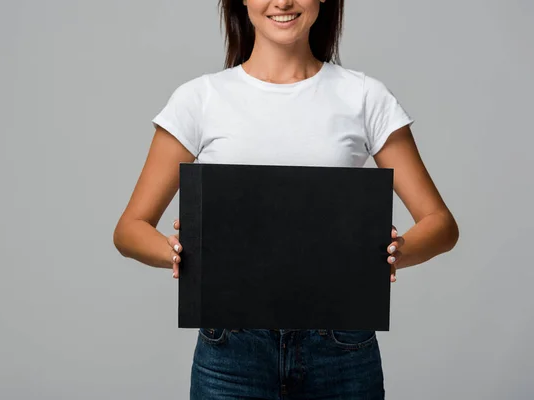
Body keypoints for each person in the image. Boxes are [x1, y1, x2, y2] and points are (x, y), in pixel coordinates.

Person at [114, 0, 459, 398]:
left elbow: (441, 224)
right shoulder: (201, 98)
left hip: (340, 348)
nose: (282, 2)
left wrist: (394, 251)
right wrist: (180, 253)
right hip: (232, 351)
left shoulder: (364, 96)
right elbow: (129, 229)